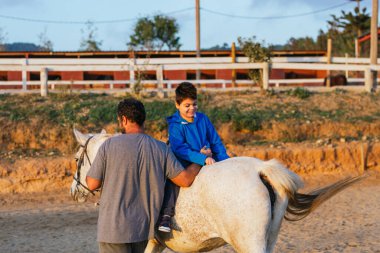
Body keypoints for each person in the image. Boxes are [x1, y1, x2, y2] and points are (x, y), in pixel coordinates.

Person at [86, 98, 202, 253]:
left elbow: (92, 184)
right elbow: (185, 180)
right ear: (143, 119)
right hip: (142, 232)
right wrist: (200, 160)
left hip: (113, 230)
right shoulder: (161, 149)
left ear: (124, 120)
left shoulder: (109, 146)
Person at [158, 82, 229, 233]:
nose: (192, 108)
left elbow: (216, 141)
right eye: (187, 105)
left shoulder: (203, 119)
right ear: (177, 105)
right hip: (185, 159)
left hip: (208, 156)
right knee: (174, 179)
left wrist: (226, 162)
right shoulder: (175, 125)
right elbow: (180, 149)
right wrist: (201, 158)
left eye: (194, 104)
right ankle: (166, 215)